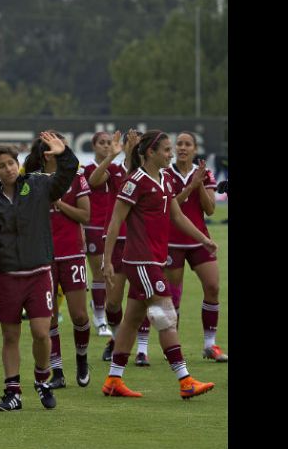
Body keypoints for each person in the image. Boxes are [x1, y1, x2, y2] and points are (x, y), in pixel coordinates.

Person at [101, 130, 216, 399]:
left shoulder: (164, 179)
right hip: (141, 261)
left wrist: (203, 239)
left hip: (153, 259)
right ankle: (185, 380)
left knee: (131, 321)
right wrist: (107, 261)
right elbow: (115, 222)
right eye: (166, 149)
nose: (171, 154)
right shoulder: (135, 181)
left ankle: (114, 380)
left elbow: (176, 216)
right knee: (166, 316)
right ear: (150, 153)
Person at [0, 137, 79, 411]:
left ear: (18, 164)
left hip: (38, 273)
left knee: (41, 332)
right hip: (7, 275)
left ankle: (42, 380)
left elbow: (66, 176)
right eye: (1, 165)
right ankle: (12, 392)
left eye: (11, 163)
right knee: (10, 337)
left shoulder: (39, 184)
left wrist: (64, 153)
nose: (8, 169)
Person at [24, 133, 92, 390]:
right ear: (46, 153)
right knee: (49, 316)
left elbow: (85, 215)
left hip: (72, 253)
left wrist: (60, 204)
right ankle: (58, 371)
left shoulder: (77, 178)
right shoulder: (31, 180)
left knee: (79, 314)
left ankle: (82, 359)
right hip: (43, 255)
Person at [88, 130, 152, 366]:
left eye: (138, 143)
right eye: (131, 142)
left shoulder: (149, 173)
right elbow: (94, 181)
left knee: (142, 295)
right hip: (115, 240)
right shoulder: (114, 170)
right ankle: (116, 340)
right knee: (113, 303)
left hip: (140, 241)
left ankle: (142, 350)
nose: (134, 145)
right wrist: (112, 156)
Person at [165, 132, 227, 362]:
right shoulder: (165, 173)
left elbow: (210, 209)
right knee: (174, 298)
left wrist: (199, 184)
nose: (182, 147)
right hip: (172, 242)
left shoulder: (205, 173)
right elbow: (171, 207)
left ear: (194, 149)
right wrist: (191, 186)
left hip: (200, 240)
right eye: (179, 144)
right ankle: (174, 346)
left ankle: (210, 345)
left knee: (212, 287)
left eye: (187, 144)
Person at [82, 132, 114, 337]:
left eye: (109, 143)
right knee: (99, 273)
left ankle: (99, 303)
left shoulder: (118, 170)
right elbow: (95, 183)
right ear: (94, 146)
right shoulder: (88, 170)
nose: (106, 146)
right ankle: (100, 318)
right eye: (102, 143)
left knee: (112, 275)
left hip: (113, 228)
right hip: (94, 226)